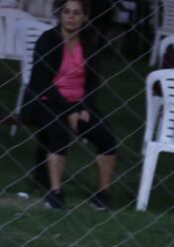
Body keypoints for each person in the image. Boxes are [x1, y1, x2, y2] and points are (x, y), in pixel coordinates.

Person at [24, 0, 118, 212]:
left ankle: (102, 194)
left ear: (85, 17)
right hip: (47, 100)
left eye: (77, 13)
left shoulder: (88, 43)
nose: (71, 16)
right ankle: (55, 192)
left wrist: (83, 106)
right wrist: (69, 111)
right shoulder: (47, 40)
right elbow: (41, 83)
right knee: (59, 131)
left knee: (106, 137)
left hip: (79, 103)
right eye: (66, 12)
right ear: (61, 15)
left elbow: (93, 81)